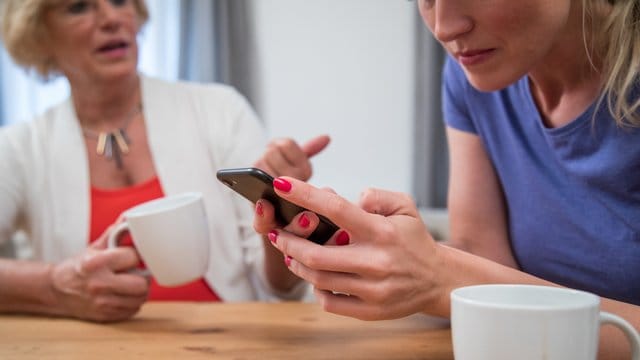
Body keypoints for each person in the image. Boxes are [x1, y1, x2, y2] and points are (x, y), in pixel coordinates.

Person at [253, 0, 640, 358]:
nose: (444, 26)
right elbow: (484, 254)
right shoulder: (472, 74)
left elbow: (461, 279)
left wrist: (439, 277)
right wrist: (375, 248)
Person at [0, 0, 328, 322]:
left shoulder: (221, 111)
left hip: (229, 341)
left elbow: (280, 289)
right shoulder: (20, 147)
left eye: (119, 0)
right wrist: (56, 286)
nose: (111, 18)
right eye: (78, 7)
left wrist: (279, 223)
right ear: (38, 33)